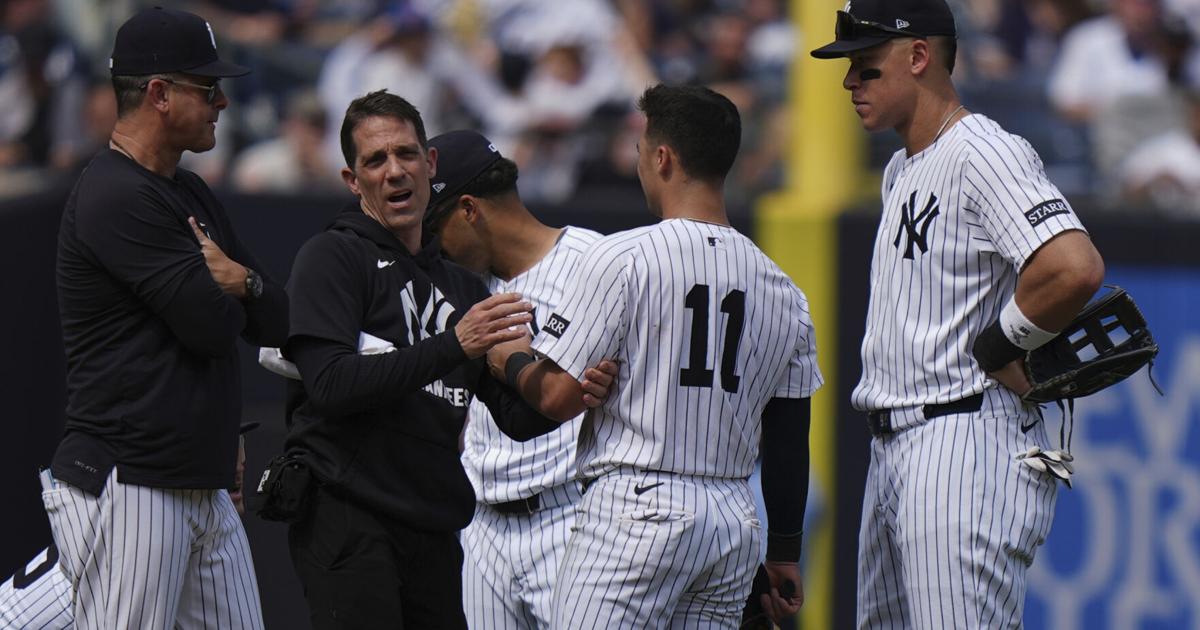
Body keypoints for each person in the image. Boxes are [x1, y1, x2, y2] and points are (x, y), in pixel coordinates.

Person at [809, 0, 1106, 627]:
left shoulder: (983, 152)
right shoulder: (901, 168)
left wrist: (1002, 342)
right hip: (897, 447)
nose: (850, 80)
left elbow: (1073, 266)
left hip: (963, 441)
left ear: (919, 56)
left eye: (866, 64)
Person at [486, 83, 822, 629]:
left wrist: (510, 359)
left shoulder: (623, 256)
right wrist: (784, 550)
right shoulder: (784, 289)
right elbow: (789, 437)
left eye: (642, 150)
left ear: (663, 157)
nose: (640, 161)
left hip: (637, 507)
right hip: (731, 519)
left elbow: (556, 395)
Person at [280, 90, 614, 629]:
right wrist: (455, 344)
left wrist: (577, 392)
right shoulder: (333, 256)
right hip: (350, 514)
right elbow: (331, 385)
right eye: (375, 160)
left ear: (429, 163)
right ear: (352, 180)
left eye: (406, 154)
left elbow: (516, 418)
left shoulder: (459, 285)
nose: (394, 171)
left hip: (431, 525)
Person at [42, 7, 287, 630]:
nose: (222, 102)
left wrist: (244, 282)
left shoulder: (189, 190)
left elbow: (274, 319)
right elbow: (212, 326)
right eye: (208, 88)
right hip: (132, 482)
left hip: (200, 484)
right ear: (158, 93)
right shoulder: (114, 194)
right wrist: (235, 292)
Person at [420, 129, 602, 629]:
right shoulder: (460, 286)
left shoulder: (594, 261)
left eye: (435, 226)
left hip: (570, 515)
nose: (433, 245)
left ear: (468, 210)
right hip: (482, 525)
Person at [7, 424, 259, 629]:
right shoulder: (137, 540)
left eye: (238, 442)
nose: (239, 463)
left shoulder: (190, 536)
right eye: (226, 445)